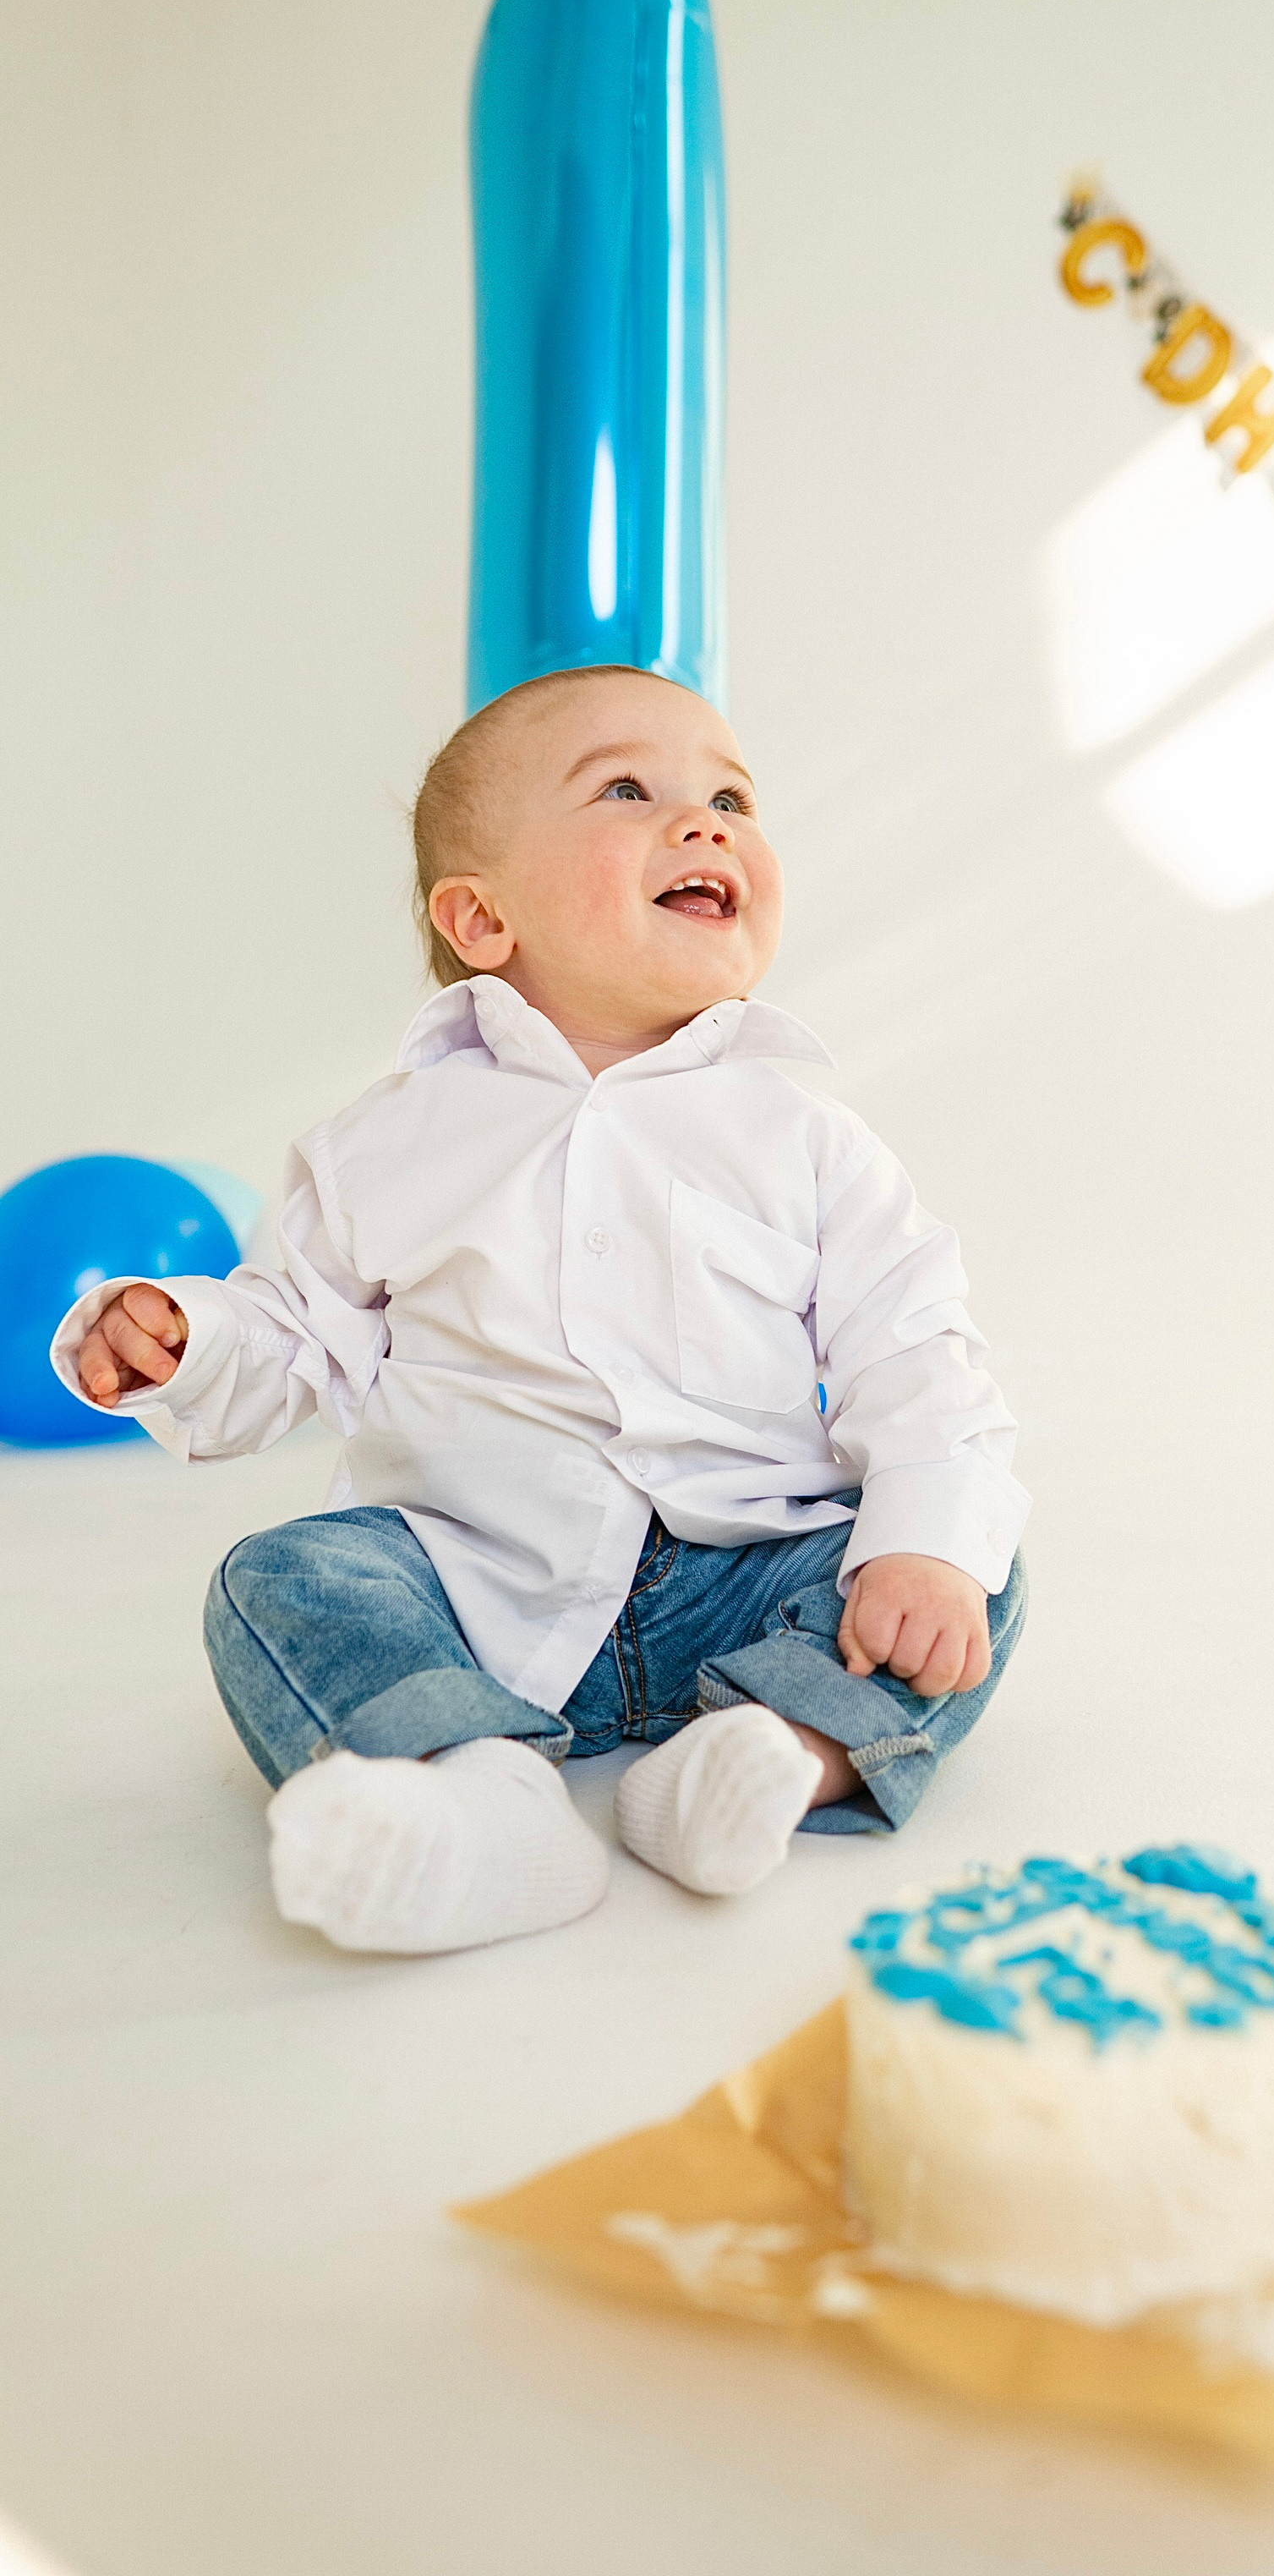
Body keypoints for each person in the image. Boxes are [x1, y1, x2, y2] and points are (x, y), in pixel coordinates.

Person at [54, 666, 1029, 1956]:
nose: (708, 822)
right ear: (481, 918)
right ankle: (478, 1794)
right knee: (274, 1583)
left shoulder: (806, 1137)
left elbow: (913, 1348)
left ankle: (768, 1754)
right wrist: (188, 1344)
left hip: (741, 1573)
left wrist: (923, 1548)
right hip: (475, 1578)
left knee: (970, 1563)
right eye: (632, 789)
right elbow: (292, 1335)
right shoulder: (389, 1141)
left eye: (731, 794)